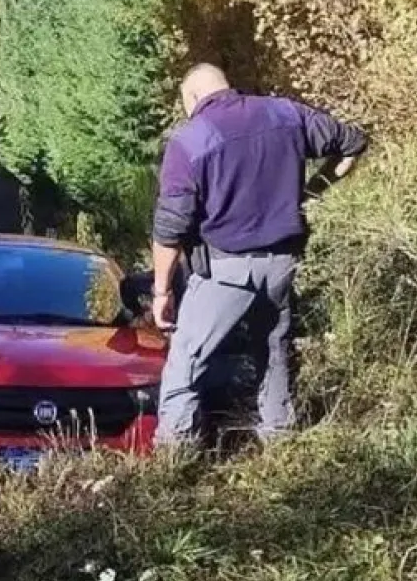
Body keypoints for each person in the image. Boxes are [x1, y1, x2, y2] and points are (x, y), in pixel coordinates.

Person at [150, 63, 368, 448]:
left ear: (193, 97)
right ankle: (280, 442)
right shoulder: (285, 113)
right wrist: (312, 191)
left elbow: (170, 228)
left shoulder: (190, 140)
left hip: (224, 269)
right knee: (272, 351)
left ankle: (175, 455)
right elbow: (353, 143)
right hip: (283, 262)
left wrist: (161, 291)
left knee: (186, 363)